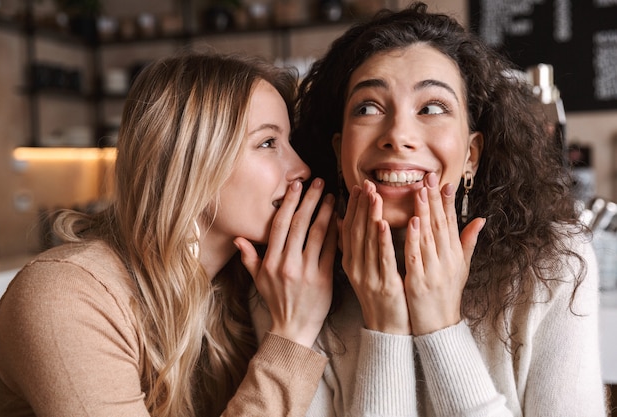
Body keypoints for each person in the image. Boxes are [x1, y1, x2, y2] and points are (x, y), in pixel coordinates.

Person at [255, 2, 607, 415]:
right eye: (369, 107)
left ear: (471, 155)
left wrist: (440, 326)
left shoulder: (550, 267)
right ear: (339, 151)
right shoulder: (293, 281)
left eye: (432, 108)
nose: (399, 135)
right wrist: (385, 325)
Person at [0, 52, 338, 417]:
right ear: (191, 161)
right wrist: (291, 338)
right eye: (268, 143)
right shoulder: (66, 296)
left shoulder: (247, 290)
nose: (300, 168)